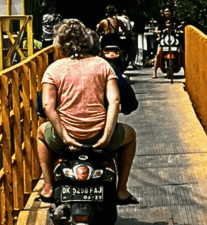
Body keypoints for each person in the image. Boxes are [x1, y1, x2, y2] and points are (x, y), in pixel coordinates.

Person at [37, 19, 138, 205]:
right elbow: (114, 101)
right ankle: (122, 190)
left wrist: (66, 137)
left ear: (59, 43)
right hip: (99, 136)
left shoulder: (53, 69)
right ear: (88, 40)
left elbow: (47, 107)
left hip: (66, 138)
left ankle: (48, 187)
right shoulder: (103, 65)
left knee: (41, 134)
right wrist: (107, 136)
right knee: (130, 135)